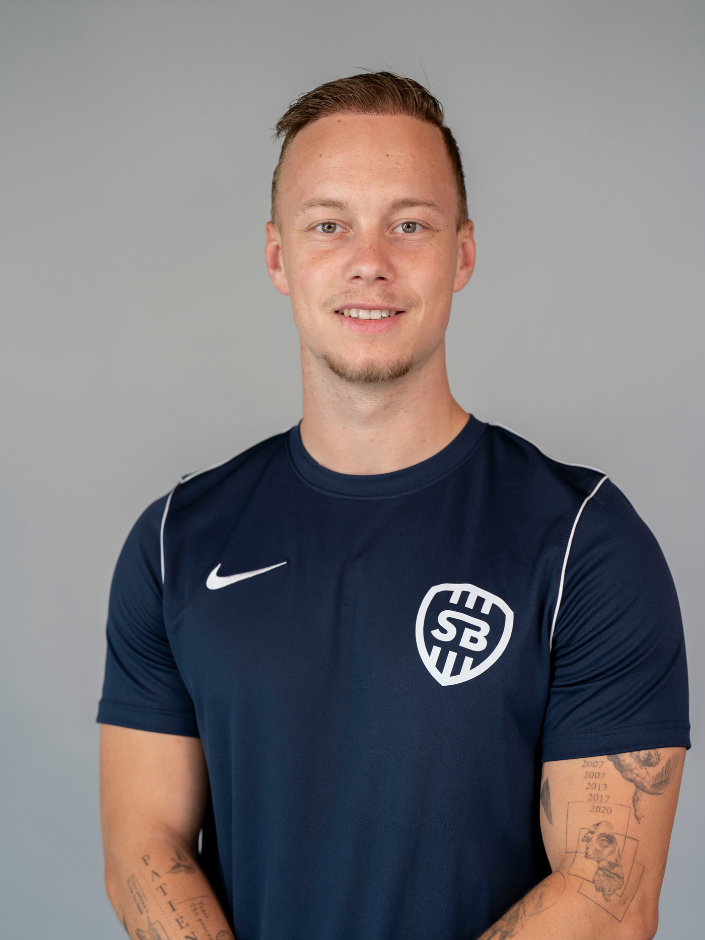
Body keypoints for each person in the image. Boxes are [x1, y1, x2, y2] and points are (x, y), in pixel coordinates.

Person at [98, 72, 689, 940]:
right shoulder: (174, 542)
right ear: (278, 257)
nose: (369, 261)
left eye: (409, 224)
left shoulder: (582, 541)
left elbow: (608, 894)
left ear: (462, 254)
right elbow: (143, 850)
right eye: (328, 224)